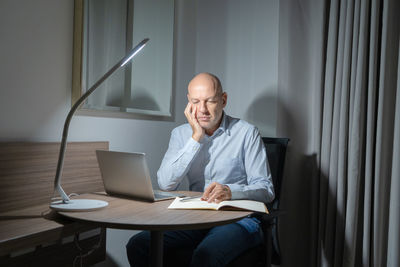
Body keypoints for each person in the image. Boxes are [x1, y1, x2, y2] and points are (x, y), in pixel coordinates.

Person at [126, 72, 274, 267]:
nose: (202, 109)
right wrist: (196, 138)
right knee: (138, 244)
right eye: (196, 101)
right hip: (194, 218)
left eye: (210, 101)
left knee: (205, 256)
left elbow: (266, 190)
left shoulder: (247, 133)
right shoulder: (180, 134)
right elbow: (166, 183)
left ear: (223, 100)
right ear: (188, 102)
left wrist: (230, 191)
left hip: (238, 220)